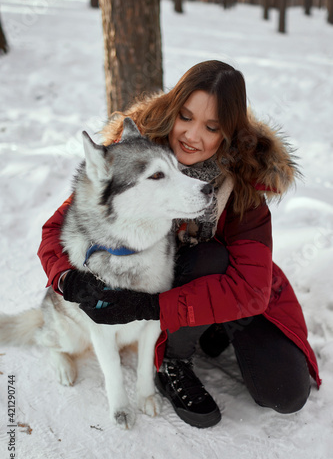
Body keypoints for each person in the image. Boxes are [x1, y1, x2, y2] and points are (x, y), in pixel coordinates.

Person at [38, 61, 320, 429]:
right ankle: (174, 360)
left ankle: (213, 324)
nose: (192, 135)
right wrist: (66, 280)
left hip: (216, 286)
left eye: (212, 127)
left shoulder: (242, 187)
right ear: (173, 112)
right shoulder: (132, 156)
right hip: (170, 288)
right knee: (201, 259)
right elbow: (59, 228)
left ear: (228, 135)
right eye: (186, 117)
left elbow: (251, 289)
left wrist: (150, 305)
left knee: (285, 392)